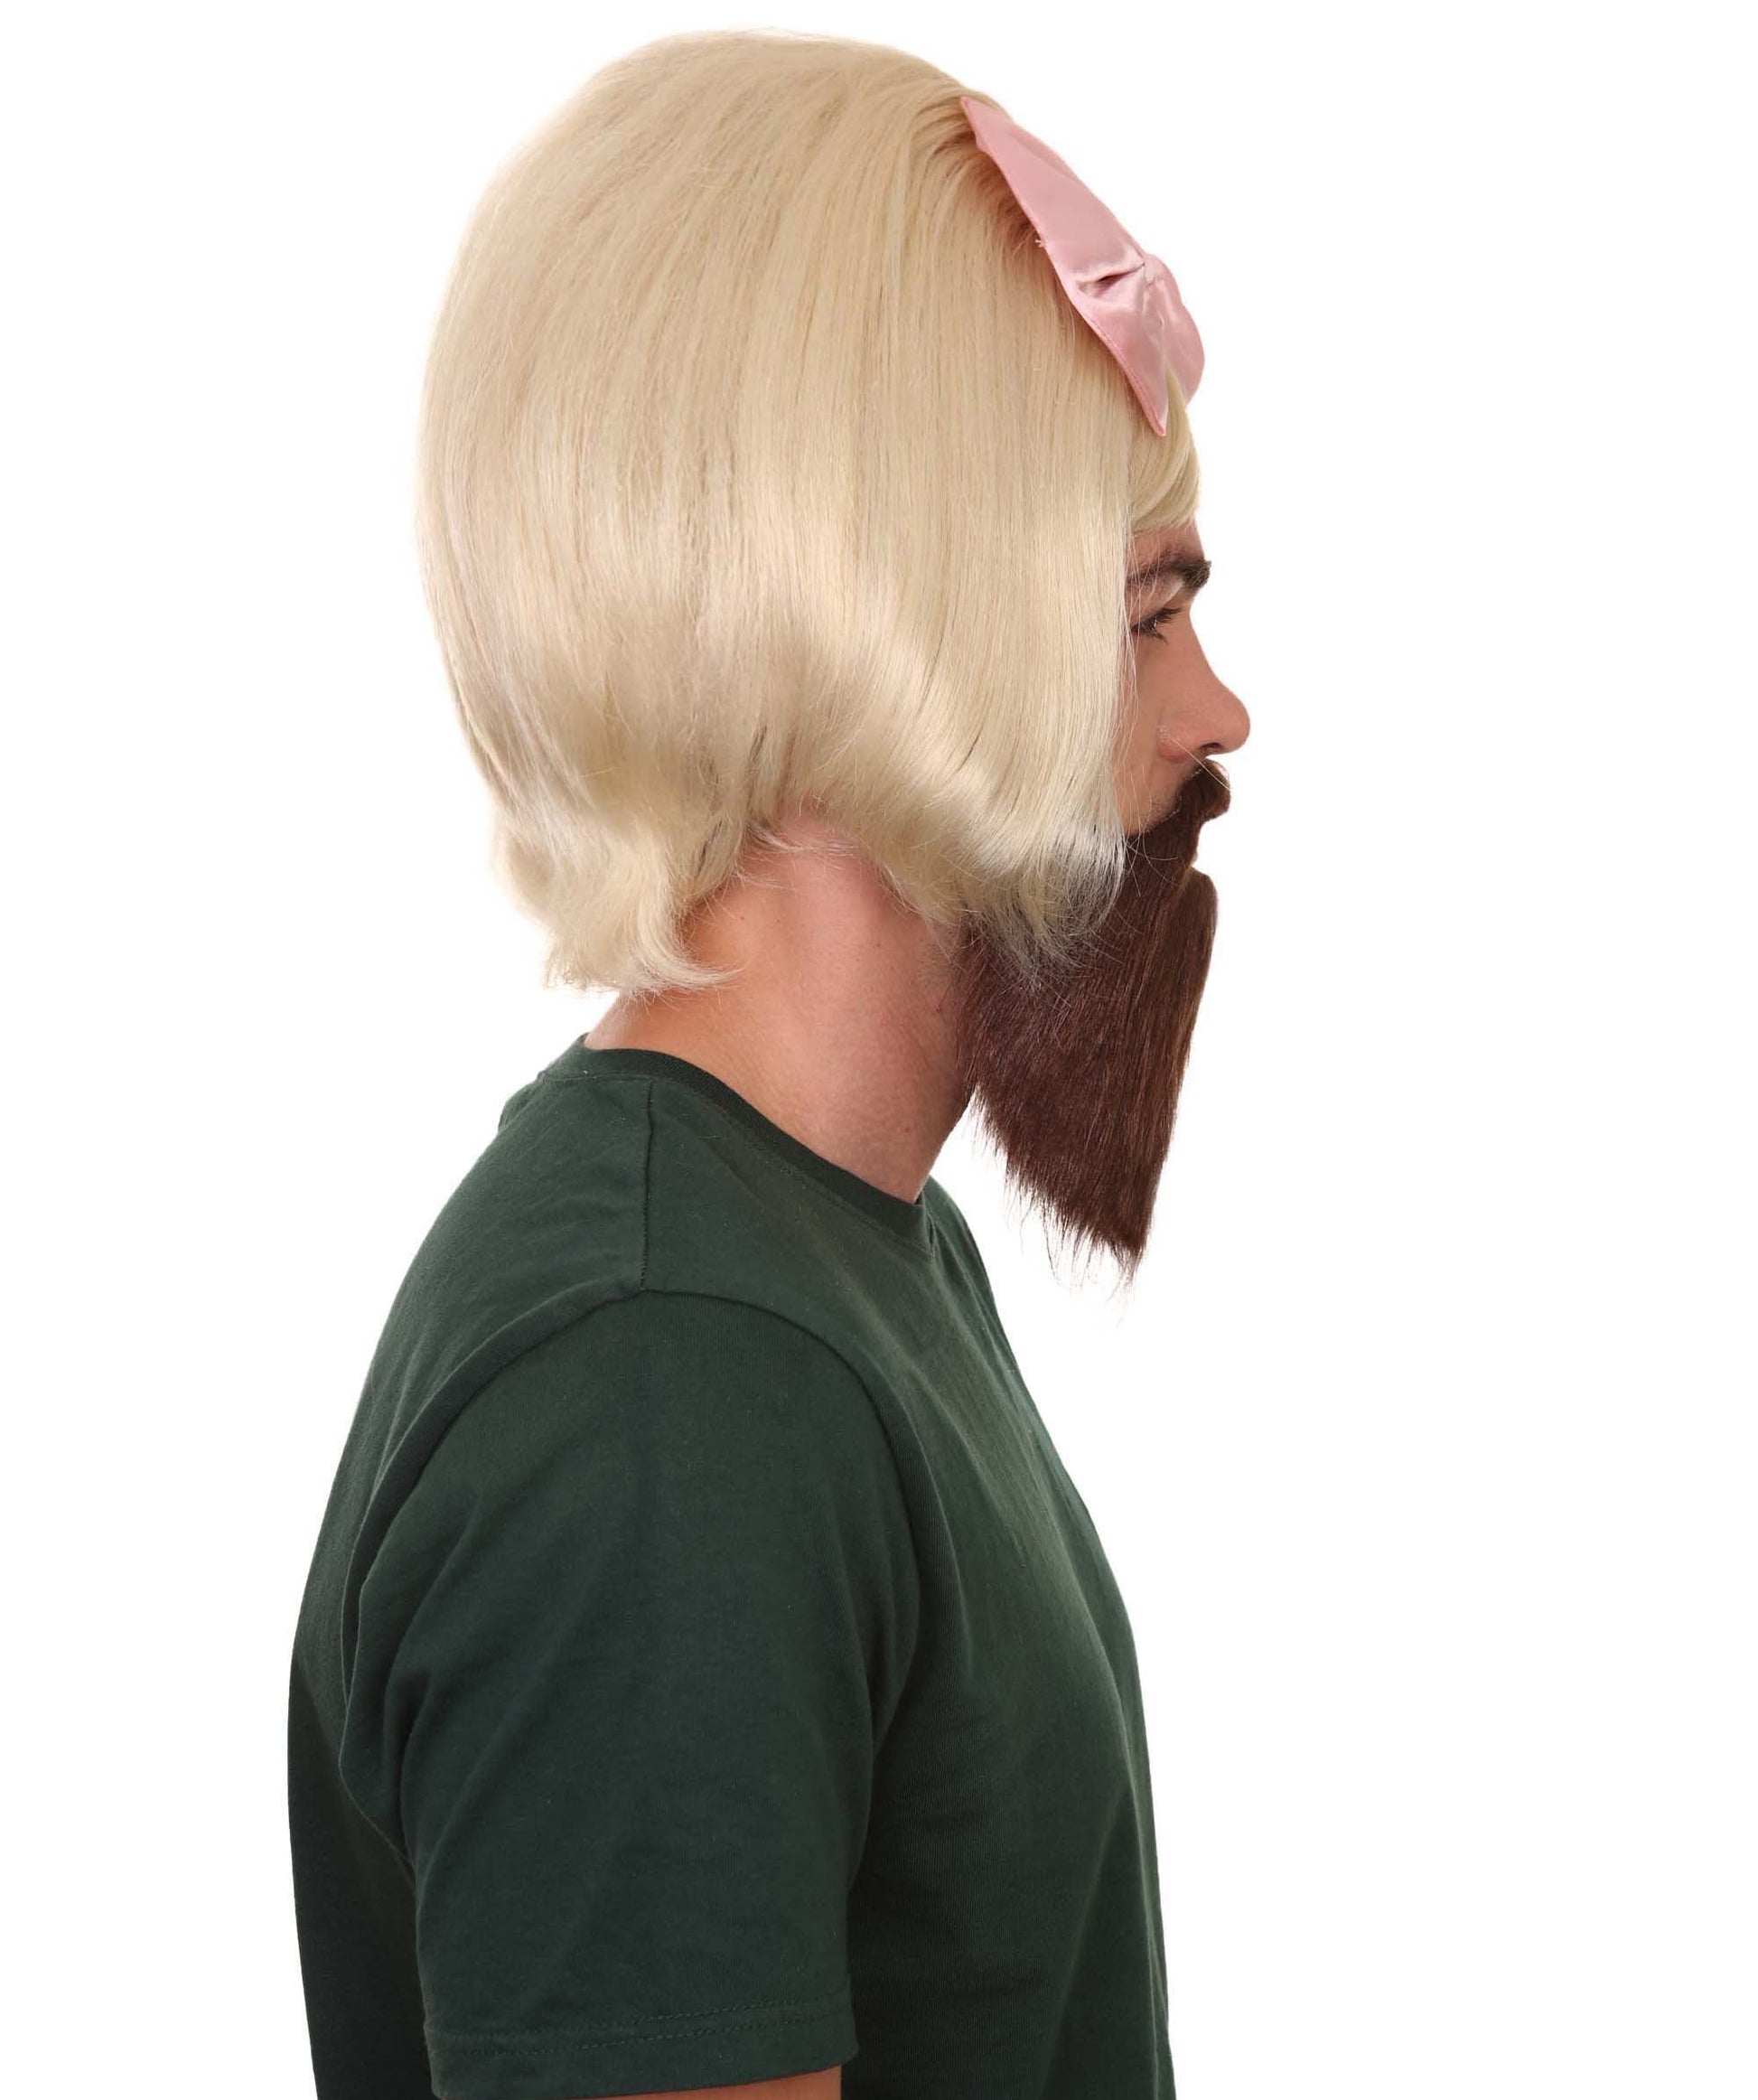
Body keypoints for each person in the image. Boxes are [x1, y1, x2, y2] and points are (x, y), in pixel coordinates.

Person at [287, 28, 1249, 2100]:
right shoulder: (669, 1378)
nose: (1217, 714)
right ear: (892, 624)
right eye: (1143, 614)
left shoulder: (841, 1261)